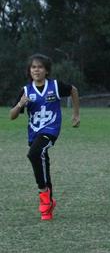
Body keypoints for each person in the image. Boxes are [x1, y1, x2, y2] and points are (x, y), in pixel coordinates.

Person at [9, 53, 80, 220]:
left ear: (46, 71)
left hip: (50, 130)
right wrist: (20, 104)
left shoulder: (54, 86)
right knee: (43, 163)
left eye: (40, 67)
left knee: (34, 154)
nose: (36, 70)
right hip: (34, 132)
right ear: (29, 70)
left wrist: (76, 114)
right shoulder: (25, 91)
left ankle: (43, 193)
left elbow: (73, 90)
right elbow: (11, 115)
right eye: (33, 67)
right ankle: (48, 207)